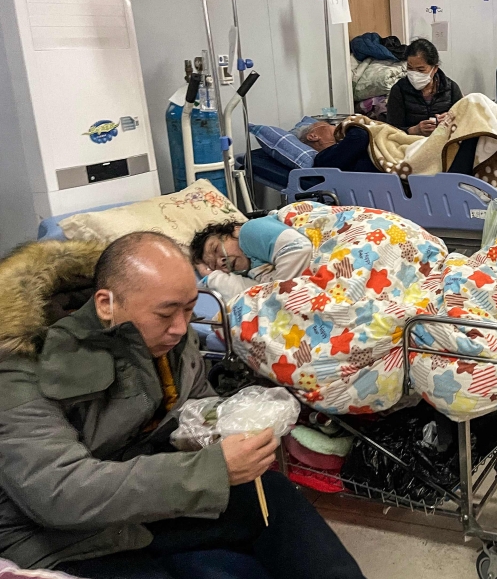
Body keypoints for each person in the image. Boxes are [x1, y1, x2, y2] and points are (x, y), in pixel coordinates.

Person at [0, 233, 365, 578]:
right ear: (105, 304)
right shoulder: (19, 366)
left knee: (273, 495)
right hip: (55, 534)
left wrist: (226, 427)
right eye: (166, 314)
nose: (179, 327)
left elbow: (192, 406)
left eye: (190, 309)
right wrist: (211, 469)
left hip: (143, 504)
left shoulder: (167, 339)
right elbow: (58, 492)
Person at [191, 216, 313, 300]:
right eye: (214, 264)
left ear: (235, 230)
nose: (220, 261)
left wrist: (276, 298)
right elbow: (251, 294)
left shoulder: (247, 231)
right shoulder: (253, 272)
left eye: (216, 248)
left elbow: (299, 248)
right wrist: (207, 272)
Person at [386, 38, 463, 136]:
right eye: (410, 68)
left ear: (434, 69)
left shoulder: (450, 88)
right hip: (410, 143)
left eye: (421, 70)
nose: (414, 74)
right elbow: (390, 130)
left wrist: (450, 119)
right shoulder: (399, 90)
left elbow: (464, 121)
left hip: (443, 141)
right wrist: (414, 130)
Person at [294, 121, 379, 172]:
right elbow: (360, 136)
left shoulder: (344, 146)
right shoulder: (323, 159)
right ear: (313, 136)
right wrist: (350, 124)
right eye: (327, 125)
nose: (335, 126)